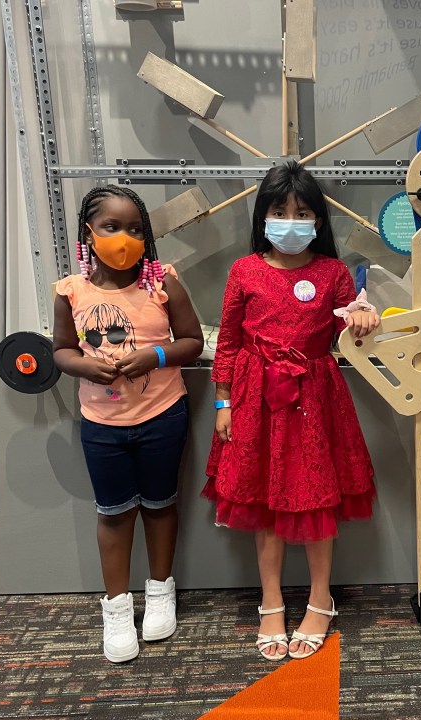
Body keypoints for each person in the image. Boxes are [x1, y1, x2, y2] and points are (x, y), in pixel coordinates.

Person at [204, 161, 379, 661]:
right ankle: (272, 601)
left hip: (316, 401)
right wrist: (222, 402)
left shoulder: (333, 272)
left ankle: (321, 600)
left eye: (302, 212)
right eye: (279, 211)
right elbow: (230, 343)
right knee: (264, 502)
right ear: (263, 216)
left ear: (318, 221)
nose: (290, 221)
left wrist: (366, 315)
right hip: (254, 399)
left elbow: (353, 323)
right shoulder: (245, 270)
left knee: (315, 499)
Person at [53, 185, 203, 662]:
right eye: (112, 227)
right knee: (114, 514)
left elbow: (193, 341)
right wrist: (82, 366)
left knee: (161, 504)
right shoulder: (70, 291)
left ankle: (160, 591)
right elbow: (59, 351)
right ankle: (117, 609)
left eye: (135, 229)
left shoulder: (164, 283)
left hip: (162, 416)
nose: (124, 238)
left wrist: (156, 355)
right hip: (102, 424)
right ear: (88, 233)